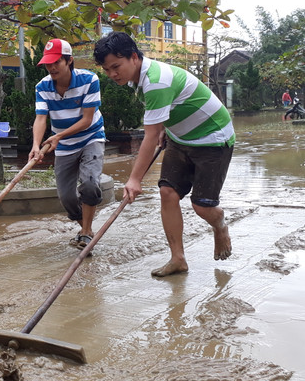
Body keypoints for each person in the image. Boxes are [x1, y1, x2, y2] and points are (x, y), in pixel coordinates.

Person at [93, 32, 234, 277]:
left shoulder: (157, 81)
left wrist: (134, 179)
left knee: (202, 207)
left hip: (213, 138)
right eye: (107, 70)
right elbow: (166, 115)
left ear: (134, 57)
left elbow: (149, 135)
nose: (112, 74)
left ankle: (219, 223)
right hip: (180, 137)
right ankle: (177, 259)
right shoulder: (139, 78)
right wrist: (165, 128)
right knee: (167, 193)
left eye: (116, 66)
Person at [29, 38, 106, 250]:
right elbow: (41, 118)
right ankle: (86, 230)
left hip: (91, 137)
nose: (51, 68)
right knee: (66, 197)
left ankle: (86, 233)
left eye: (56, 62)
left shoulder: (89, 80)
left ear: (69, 61)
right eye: (48, 63)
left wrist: (58, 136)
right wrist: (36, 145)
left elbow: (87, 120)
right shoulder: (42, 86)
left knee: (90, 183)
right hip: (63, 145)